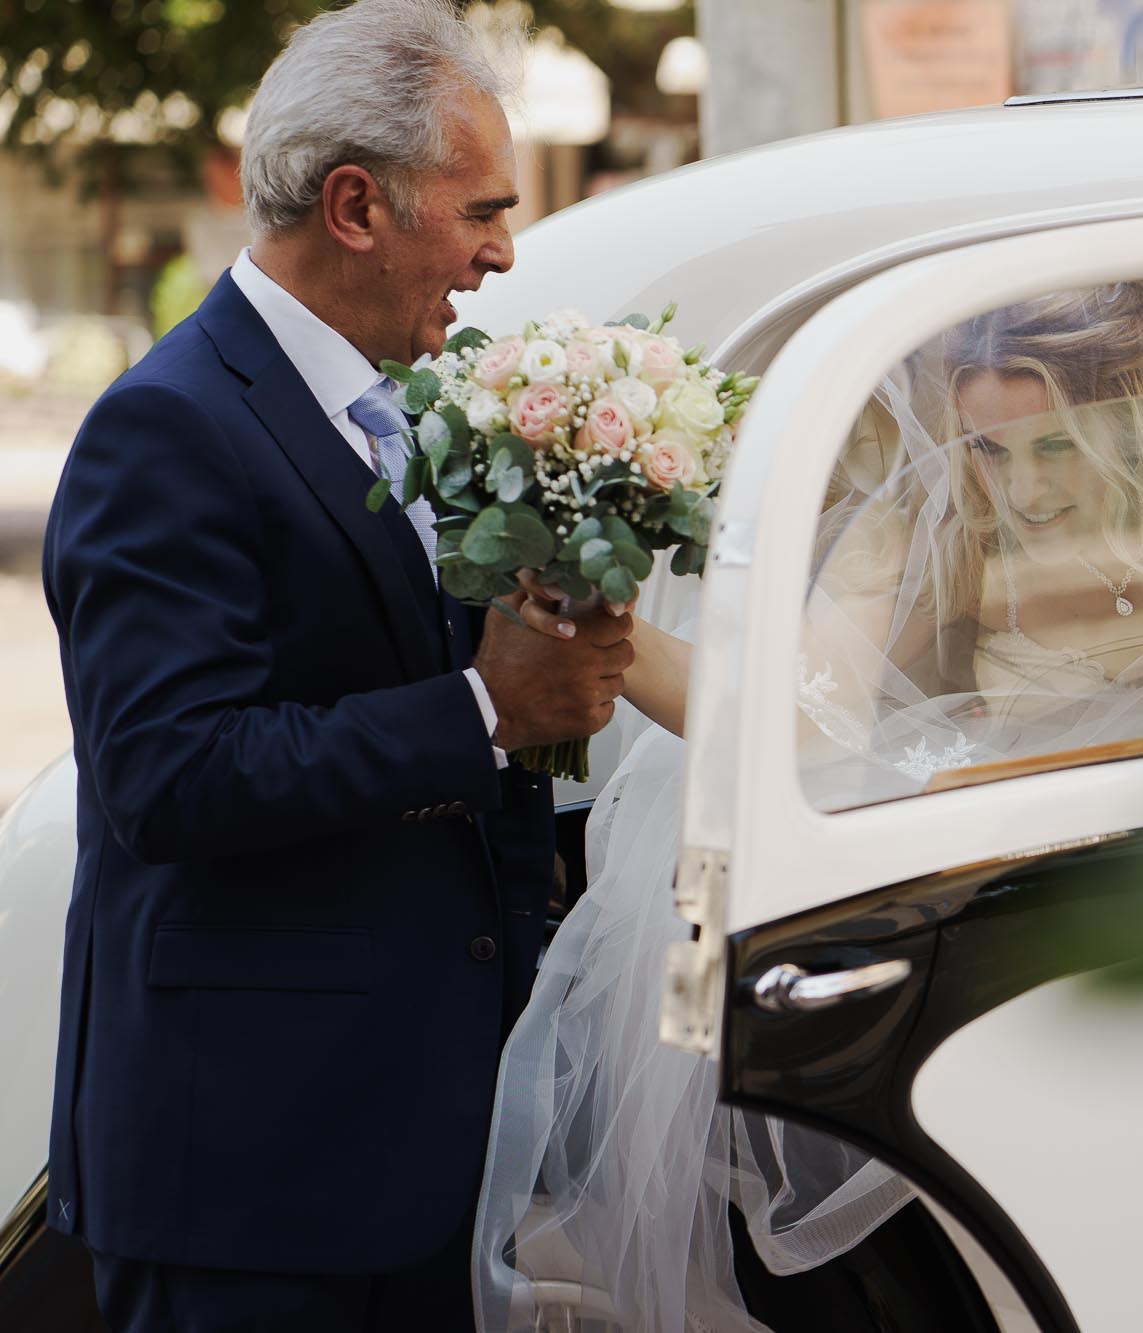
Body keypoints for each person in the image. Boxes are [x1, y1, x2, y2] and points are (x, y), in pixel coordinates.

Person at [473, 273, 1143, 1331]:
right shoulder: (923, 533)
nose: (1024, 490)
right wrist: (591, 610)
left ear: (1134, 429)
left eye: (1054, 446)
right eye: (989, 450)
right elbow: (789, 716)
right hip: (1008, 947)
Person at [40, 3, 633, 1329]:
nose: (501, 252)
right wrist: (484, 708)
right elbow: (169, 774)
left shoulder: (411, 402)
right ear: (355, 205)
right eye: (480, 209)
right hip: (248, 1178)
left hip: (416, 1151)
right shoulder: (167, 428)